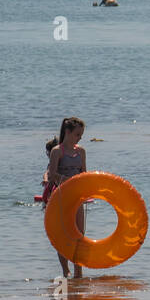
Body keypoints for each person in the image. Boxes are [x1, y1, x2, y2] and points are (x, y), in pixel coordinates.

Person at [45, 117, 87, 279]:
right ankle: (65, 270)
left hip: (78, 197)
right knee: (64, 235)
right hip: (62, 197)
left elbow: (84, 173)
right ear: (67, 132)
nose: (80, 138)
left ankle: (79, 271)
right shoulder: (57, 151)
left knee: (79, 235)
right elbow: (52, 175)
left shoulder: (81, 151)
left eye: (81, 135)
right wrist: (68, 181)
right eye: (77, 134)